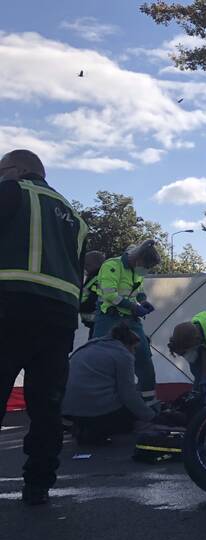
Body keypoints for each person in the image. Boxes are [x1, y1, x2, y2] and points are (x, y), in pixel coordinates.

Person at [0, 149, 88, 505]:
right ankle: (38, 484)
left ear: (19, 169)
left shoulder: (11, 191)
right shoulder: (74, 217)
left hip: (9, 305)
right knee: (47, 404)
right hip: (58, 317)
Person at [63, 323, 155, 445]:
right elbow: (128, 394)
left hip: (68, 408)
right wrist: (151, 416)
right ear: (128, 344)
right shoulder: (123, 355)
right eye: (134, 349)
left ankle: (83, 427)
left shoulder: (88, 346)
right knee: (133, 415)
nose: (134, 353)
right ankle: (96, 430)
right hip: (97, 410)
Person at [93, 240, 160, 406]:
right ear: (138, 260)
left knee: (144, 358)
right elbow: (110, 295)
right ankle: (98, 403)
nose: (146, 270)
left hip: (131, 319)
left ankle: (148, 404)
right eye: (146, 266)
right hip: (109, 319)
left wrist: (143, 301)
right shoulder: (112, 265)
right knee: (100, 359)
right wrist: (133, 307)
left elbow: (139, 290)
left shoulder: (136, 270)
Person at [79, 250, 105, 336]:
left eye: (87, 265)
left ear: (96, 265)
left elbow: (93, 299)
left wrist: (79, 306)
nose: (85, 268)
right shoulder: (93, 277)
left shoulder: (98, 279)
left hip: (97, 322)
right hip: (94, 322)